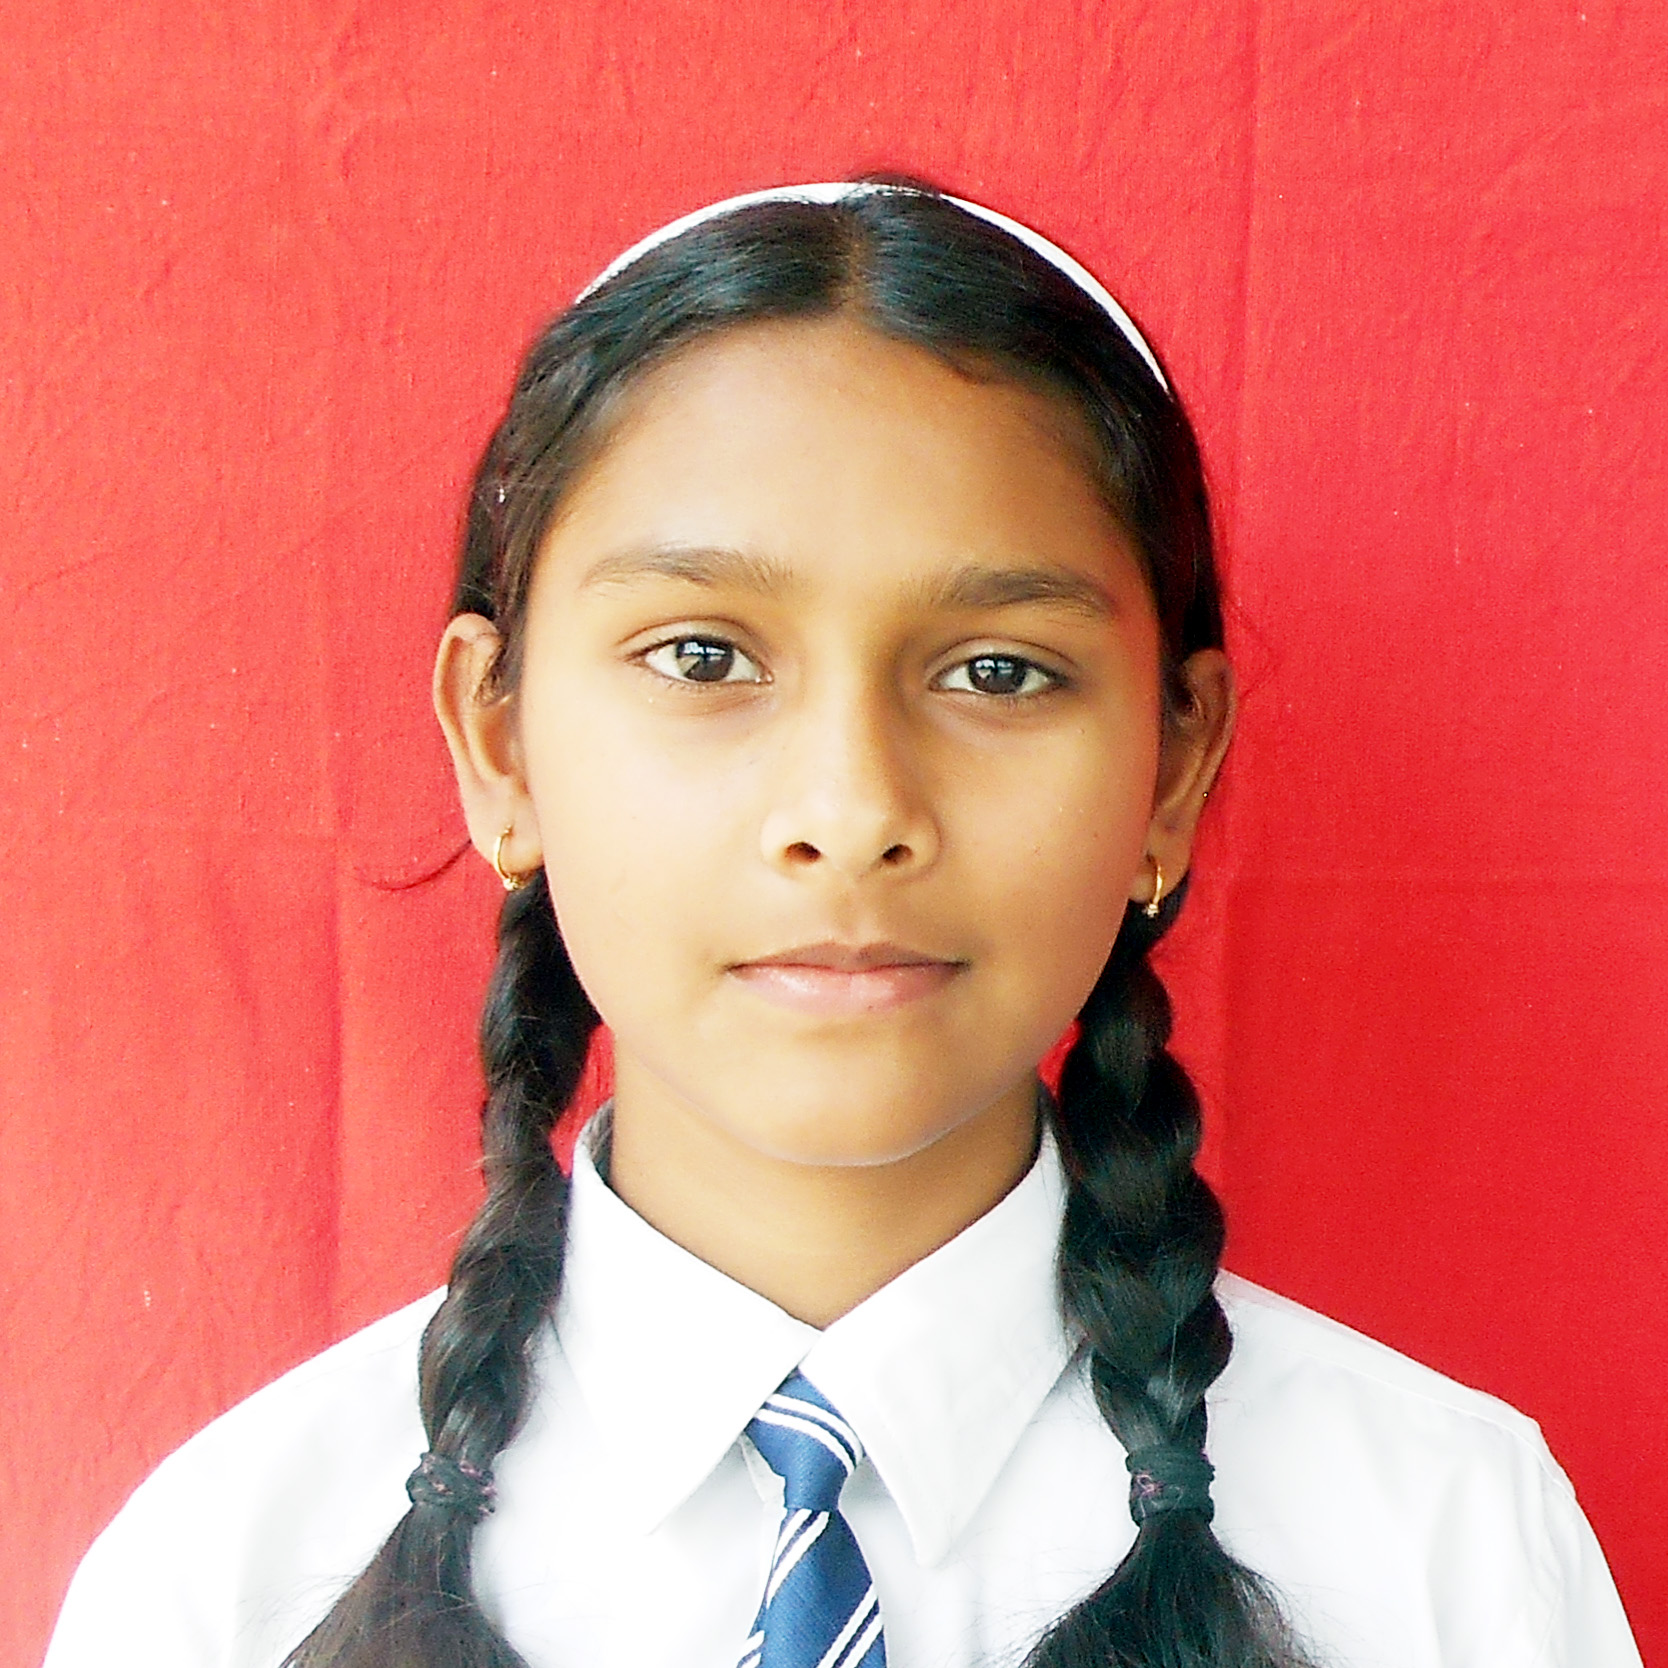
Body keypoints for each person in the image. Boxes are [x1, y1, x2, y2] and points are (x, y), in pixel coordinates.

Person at [44, 181, 1641, 1668]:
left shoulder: (1441, 1553)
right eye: (701, 657)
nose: (853, 806)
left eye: (997, 671)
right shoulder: (228, 1584)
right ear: (499, 742)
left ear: (1173, 768)